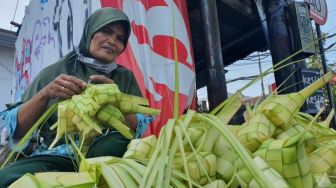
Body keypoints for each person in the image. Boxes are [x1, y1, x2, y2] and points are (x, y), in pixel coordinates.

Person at [0, 8, 152, 187]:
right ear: (90, 31)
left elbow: (137, 127)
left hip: (105, 153)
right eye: (106, 31)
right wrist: (46, 93)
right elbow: (16, 130)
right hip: (56, 155)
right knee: (5, 178)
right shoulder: (56, 71)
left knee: (115, 140)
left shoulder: (124, 77)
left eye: (120, 39)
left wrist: (116, 99)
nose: (112, 41)